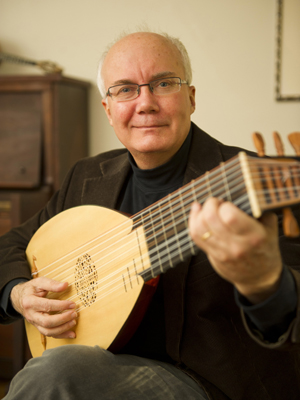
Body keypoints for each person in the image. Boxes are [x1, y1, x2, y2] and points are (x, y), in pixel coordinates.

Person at [0, 30, 299, 400]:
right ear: (108, 110)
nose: (145, 103)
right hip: (100, 361)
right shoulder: (87, 177)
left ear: (191, 98)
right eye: (125, 89)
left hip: (208, 383)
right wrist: (18, 293)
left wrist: (266, 283)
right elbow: (11, 246)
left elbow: (291, 316)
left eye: (164, 83)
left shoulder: (248, 181)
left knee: (54, 373)